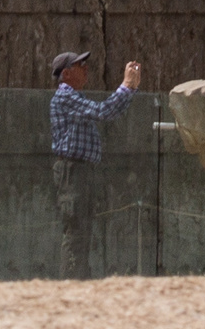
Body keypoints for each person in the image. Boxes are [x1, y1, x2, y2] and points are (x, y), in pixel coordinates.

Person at [48, 50, 141, 278]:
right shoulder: (65, 96)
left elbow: (106, 113)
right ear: (67, 73)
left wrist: (130, 89)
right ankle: (70, 283)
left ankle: (78, 278)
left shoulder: (74, 97)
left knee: (83, 230)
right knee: (76, 231)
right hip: (73, 172)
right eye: (81, 66)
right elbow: (103, 111)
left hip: (80, 171)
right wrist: (127, 87)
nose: (86, 69)